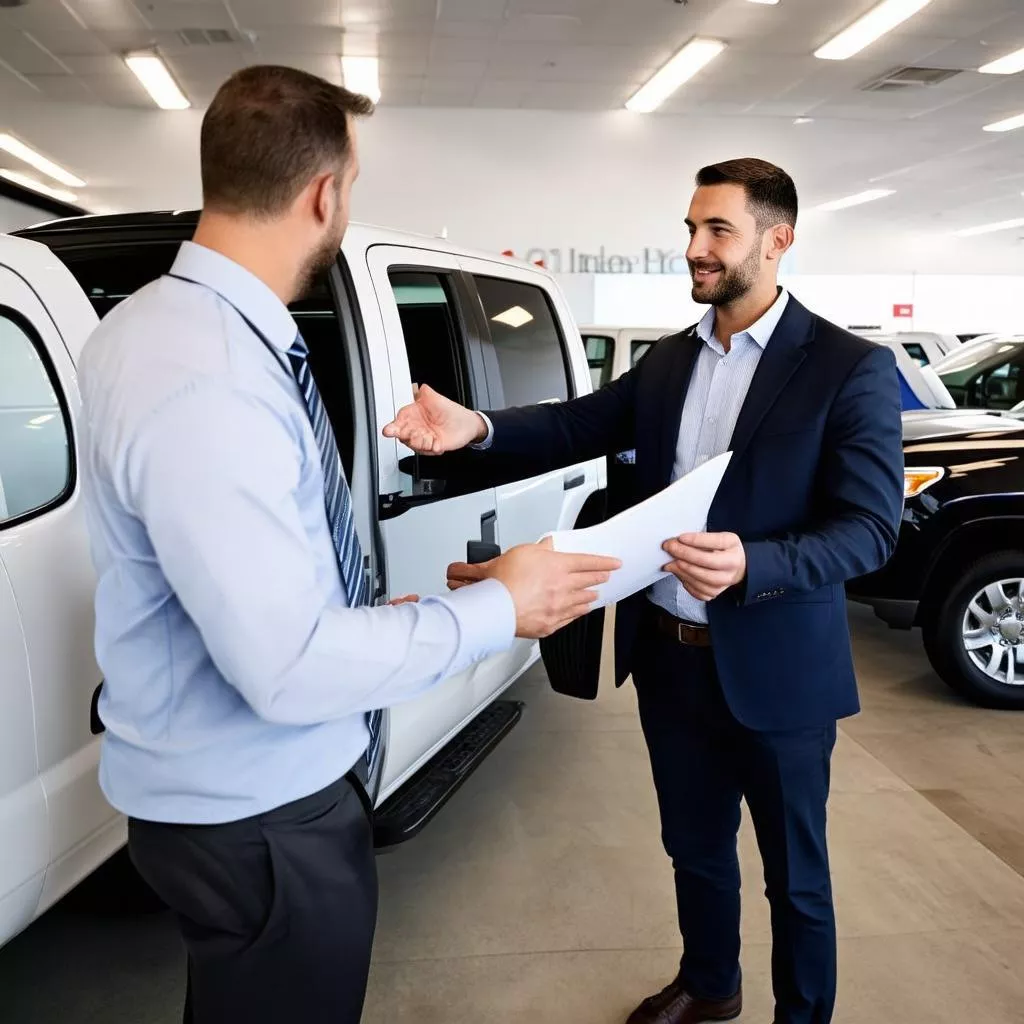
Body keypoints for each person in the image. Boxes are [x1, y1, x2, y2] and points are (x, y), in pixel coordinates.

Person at [77, 65, 618, 1024]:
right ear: (323, 193)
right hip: (260, 813)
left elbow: (250, 588)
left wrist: (370, 621)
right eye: (352, 185)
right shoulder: (210, 376)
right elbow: (285, 669)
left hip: (217, 798)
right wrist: (499, 607)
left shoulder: (153, 328)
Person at [385, 158, 905, 1024]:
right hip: (671, 658)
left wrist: (754, 563)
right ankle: (710, 985)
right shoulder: (670, 362)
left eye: (717, 232)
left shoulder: (846, 368)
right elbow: (573, 424)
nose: (694, 249)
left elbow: (870, 529)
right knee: (694, 849)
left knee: (797, 878)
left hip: (778, 672)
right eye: (691, 229)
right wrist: (473, 426)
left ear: (777, 242)